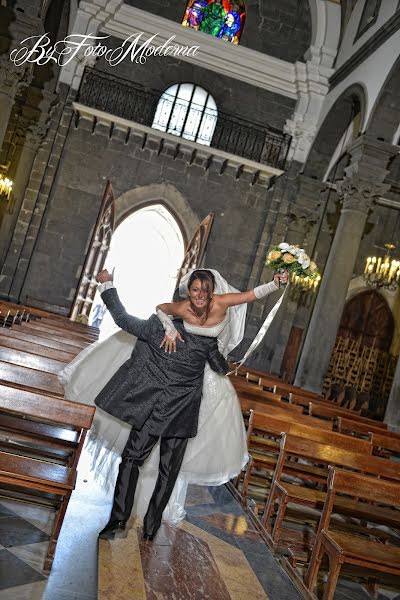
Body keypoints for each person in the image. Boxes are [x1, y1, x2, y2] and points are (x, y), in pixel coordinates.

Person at [60, 267, 287, 541]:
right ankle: (129, 522)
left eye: (205, 290)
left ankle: (137, 524)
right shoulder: (165, 328)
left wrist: (107, 285)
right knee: (140, 462)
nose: (200, 295)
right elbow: (125, 320)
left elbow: (219, 358)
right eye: (195, 290)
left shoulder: (204, 338)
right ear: (187, 295)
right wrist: (107, 284)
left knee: (153, 466)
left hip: (176, 408)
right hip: (159, 408)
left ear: (211, 293)